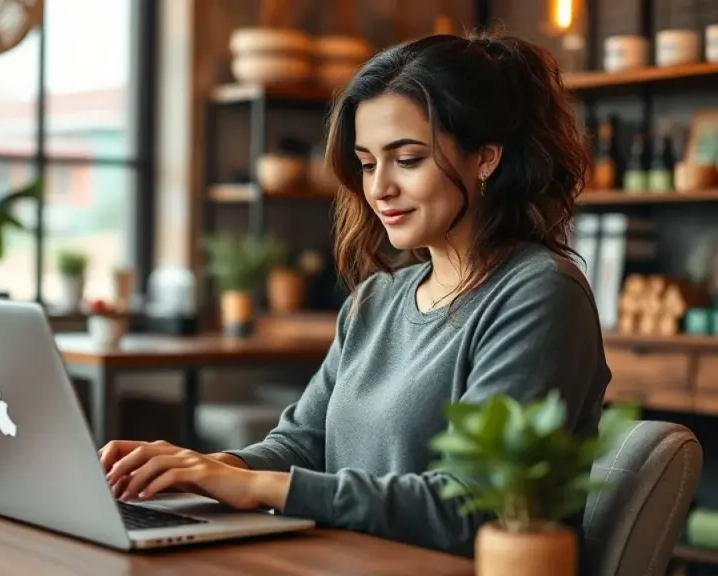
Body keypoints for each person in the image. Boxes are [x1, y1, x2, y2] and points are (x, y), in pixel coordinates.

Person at [99, 31, 611, 559]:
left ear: (485, 157)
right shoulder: (376, 300)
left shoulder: (539, 292)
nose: (379, 188)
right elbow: (302, 444)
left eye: (407, 159)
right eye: (367, 163)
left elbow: (475, 506)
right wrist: (207, 470)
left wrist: (257, 489)